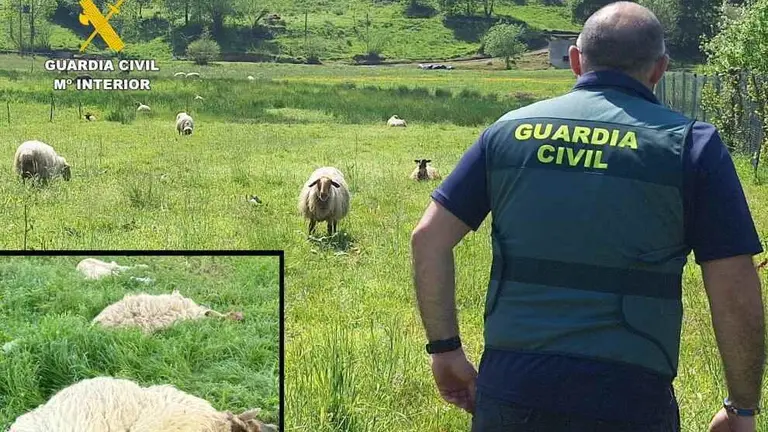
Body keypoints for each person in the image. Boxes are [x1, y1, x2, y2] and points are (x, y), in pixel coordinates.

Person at [410, 2, 765, 431]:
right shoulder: (691, 146)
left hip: (514, 387)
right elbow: (734, 285)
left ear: (576, 60)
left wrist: (445, 350)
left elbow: (428, 238)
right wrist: (742, 408)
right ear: (660, 69)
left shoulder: (506, 132)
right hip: (630, 394)